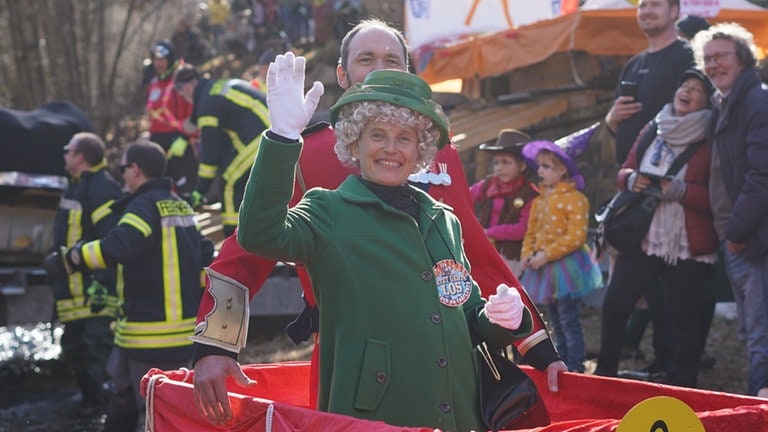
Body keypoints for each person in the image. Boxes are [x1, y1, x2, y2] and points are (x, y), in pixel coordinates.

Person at [192, 19, 566, 427]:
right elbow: (250, 247)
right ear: (342, 74)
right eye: (365, 59)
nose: (378, 68)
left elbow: (474, 254)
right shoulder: (309, 152)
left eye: (391, 59)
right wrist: (216, 344)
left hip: (447, 365)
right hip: (357, 360)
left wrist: (531, 340)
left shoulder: (443, 154)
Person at [52, 141, 215, 431]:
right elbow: (204, 253)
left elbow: (121, 246)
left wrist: (74, 257)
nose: (122, 174)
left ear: (135, 170)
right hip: (163, 334)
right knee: (123, 398)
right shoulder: (181, 205)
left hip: (151, 336)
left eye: (123, 168)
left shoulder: (143, 206)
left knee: (161, 410)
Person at [595, 69, 719, 388]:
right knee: (615, 301)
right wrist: (632, 180)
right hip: (644, 234)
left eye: (696, 89)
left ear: (707, 101)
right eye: (683, 84)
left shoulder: (713, 136)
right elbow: (625, 170)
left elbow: (720, 196)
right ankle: (604, 374)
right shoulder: (655, 126)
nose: (686, 91)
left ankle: (683, 383)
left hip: (687, 240)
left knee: (683, 319)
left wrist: (681, 191)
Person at [603, 0, 695, 373]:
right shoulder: (634, 63)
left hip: (670, 195)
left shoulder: (686, 57)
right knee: (629, 291)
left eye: (656, 4)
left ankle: (670, 369)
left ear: (675, 11)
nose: (647, 10)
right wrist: (611, 119)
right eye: (643, 4)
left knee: (670, 296)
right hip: (631, 188)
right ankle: (612, 372)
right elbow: (613, 123)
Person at [691, 23, 768, 398]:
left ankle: (760, 410)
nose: (713, 64)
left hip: (753, 238)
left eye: (721, 56)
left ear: (743, 60)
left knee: (760, 333)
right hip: (735, 235)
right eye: (707, 58)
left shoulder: (756, 101)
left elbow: (762, 175)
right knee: (752, 330)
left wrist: (737, 232)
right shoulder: (724, 102)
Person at [41, 132, 123, 411]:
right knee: (75, 350)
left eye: (68, 150)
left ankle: (105, 412)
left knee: (96, 351)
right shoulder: (76, 186)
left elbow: (109, 240)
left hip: (94, 292)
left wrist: (100, 281)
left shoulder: (101, 188)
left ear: (80, 157)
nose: (64, 155)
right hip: (72, 291)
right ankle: (90, 406)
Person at [519, 131, 603, 373]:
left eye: (547, 166)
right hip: (542, 266)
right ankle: (562, 362)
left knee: (569, 318)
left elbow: (576, 236)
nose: (541, 171)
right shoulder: (539, 200)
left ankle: (575, 366)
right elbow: (531, 230)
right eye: (540, 166)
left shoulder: (576, 199)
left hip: (566, 267)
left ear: (563, 170)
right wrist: (528, 253)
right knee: (554, 320)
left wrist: (546, 254)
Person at [173, 64, 269, 236]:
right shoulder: (213, 90)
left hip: (264, 137)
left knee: (229, 181)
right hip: (272, 129)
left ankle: (235, 238)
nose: (183, 98)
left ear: (187, 88)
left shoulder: (207, 106)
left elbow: (210, 156)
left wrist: (199, 191)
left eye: (181, 94)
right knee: (241, 178)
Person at [470, 129, 538, 276]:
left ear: (522, 166)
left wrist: (488, 233)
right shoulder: (488, 184)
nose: (499, 167)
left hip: (511, 258)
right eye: (496, 163)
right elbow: (465, 198)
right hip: (483, 250)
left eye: (506, 162)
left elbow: (523, 228)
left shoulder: (530, 194)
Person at [145, 40, 199, 195]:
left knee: (184, 186)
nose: (158, 64)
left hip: (179, 141)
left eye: (161, 60)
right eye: (155, 60)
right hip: (157, 141)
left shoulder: (182, 80)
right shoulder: (154, 82)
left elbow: (193, 111)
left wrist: (186, 137)